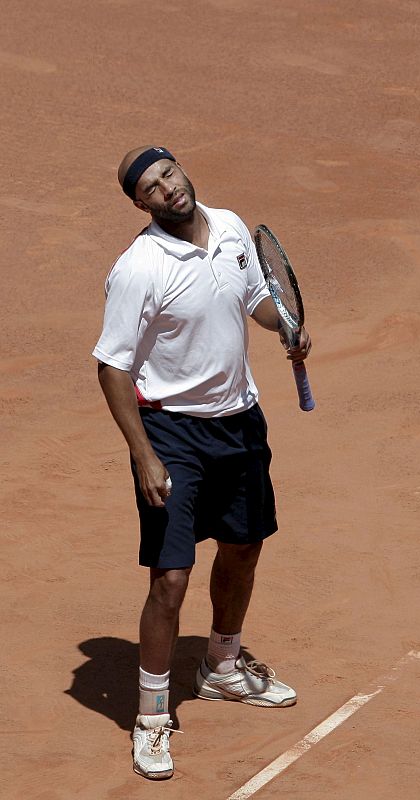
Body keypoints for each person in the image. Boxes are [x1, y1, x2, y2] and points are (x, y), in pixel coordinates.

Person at [92, 145, 312, 780]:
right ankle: (153, 717)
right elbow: (111, 366)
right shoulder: (140, 268)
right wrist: (143, 454)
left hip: (240, 424)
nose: (166, 189)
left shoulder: (233, 227)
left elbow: (252, 297)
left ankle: (220, 664)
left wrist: (283, 326)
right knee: (170, 579)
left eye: (168, 174)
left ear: (181, 170)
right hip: (173, 434)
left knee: (244, 546)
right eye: (150, 189)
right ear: (141, 205)